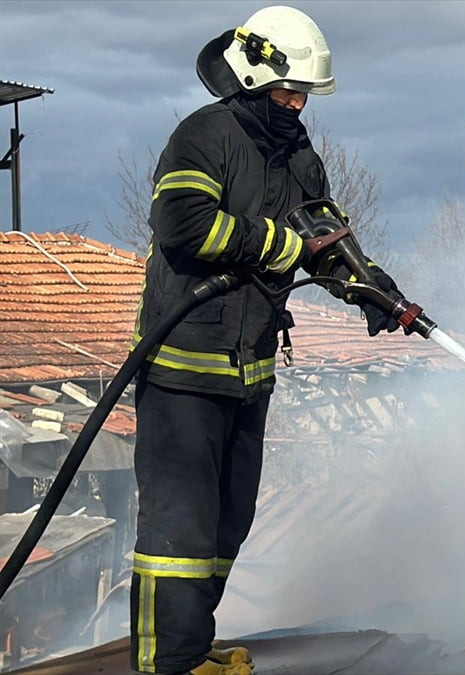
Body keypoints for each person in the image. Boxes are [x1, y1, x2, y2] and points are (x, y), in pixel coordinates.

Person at [129, 6, 400, 673]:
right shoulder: (203, 137)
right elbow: (182, 223)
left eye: (304, 93)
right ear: (253, 73)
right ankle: (168, 663)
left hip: (249, 370)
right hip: (183, 370)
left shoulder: (297, 153)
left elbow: (324, 233)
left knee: (226, 527)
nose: (297, 102)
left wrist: (371, 286)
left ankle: (190, 648)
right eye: (287, 90)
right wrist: (281, 245)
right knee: (178, 534)